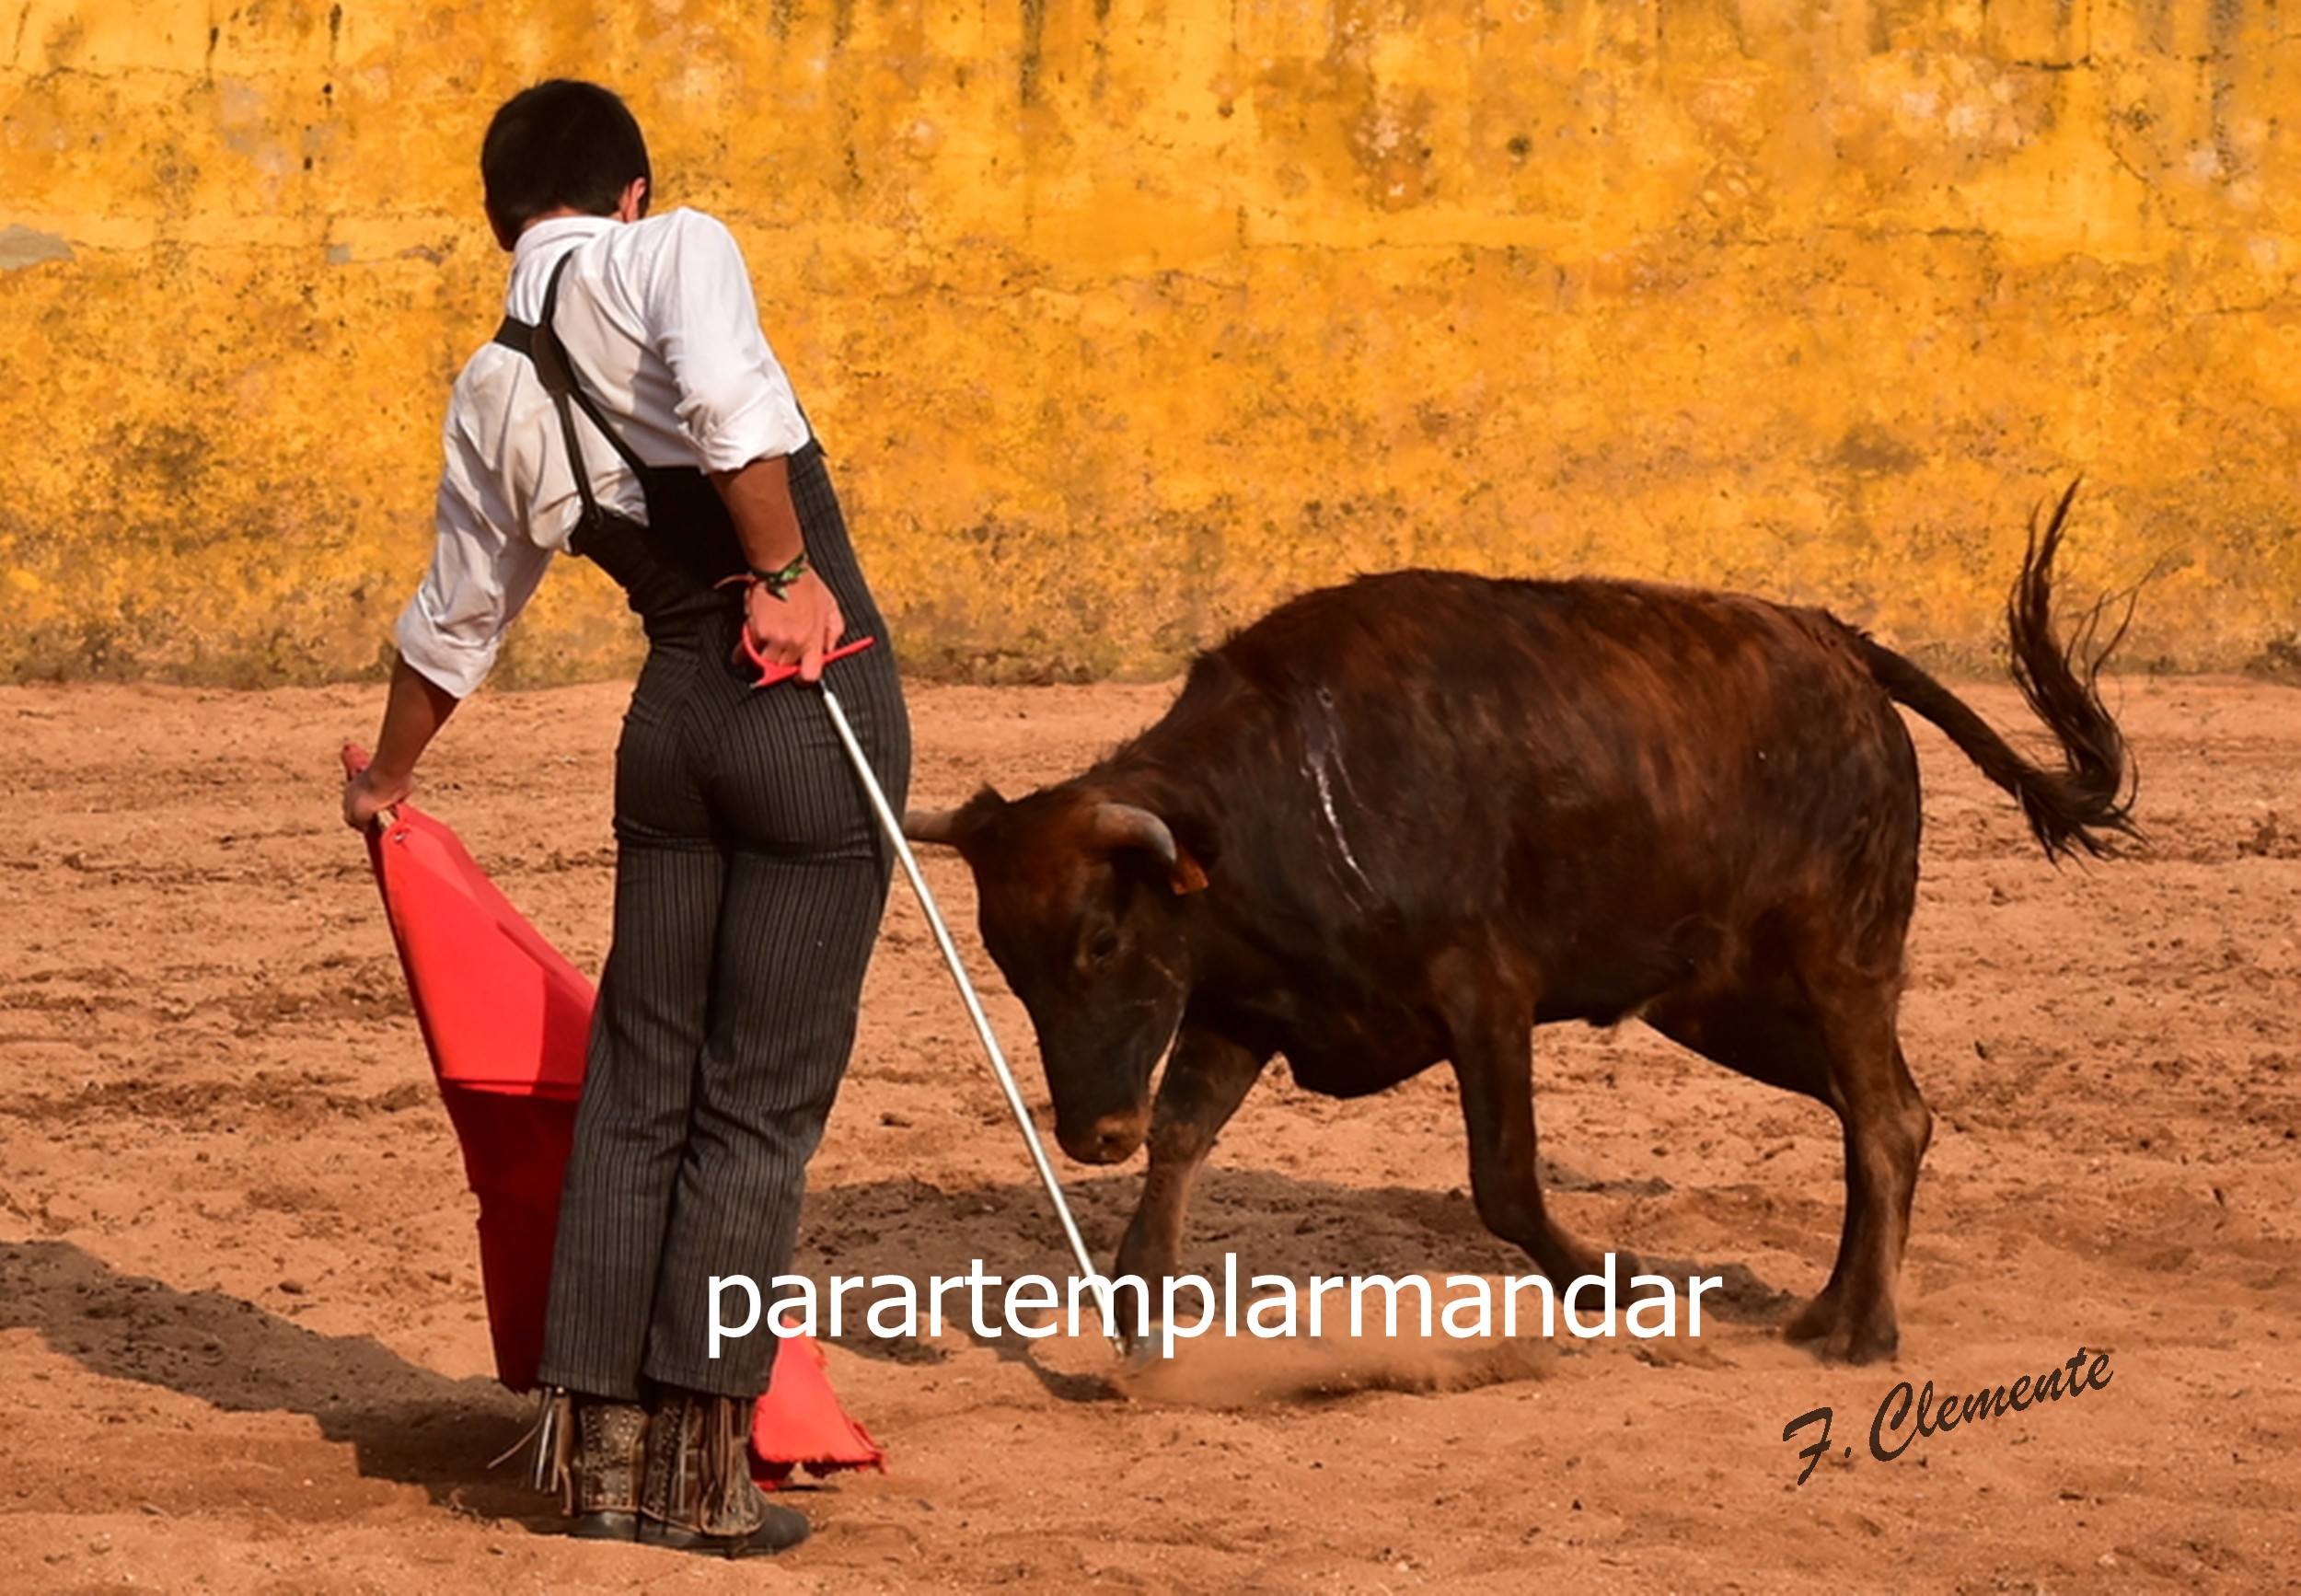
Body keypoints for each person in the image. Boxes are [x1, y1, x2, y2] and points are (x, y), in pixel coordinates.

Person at [341, 79, 909, 1557]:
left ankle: (595, 1457)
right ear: (634, 189)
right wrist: (783, 574)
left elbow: (458, 619)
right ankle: (704, 1475)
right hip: (807, 707)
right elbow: (725, 409)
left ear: (500, 222)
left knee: (645, 1078)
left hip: (667, 733)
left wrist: (388, 780)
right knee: (759, 1098)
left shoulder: (493, 382)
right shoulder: (678, 252)